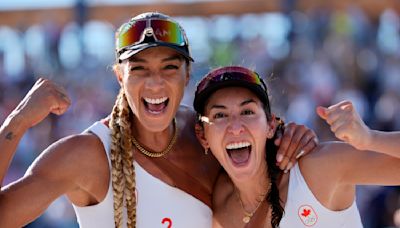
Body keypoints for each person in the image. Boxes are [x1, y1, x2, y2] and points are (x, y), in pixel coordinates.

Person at [0, 13, 319, 228]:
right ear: (119, 77)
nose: (155, 83)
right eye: (139, 69)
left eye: (169, 68)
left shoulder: (211, 136)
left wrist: (294, 140)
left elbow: (266, 197)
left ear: (186, 75)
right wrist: (18, 120)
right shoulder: (88, 156)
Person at [193, 65, 400, 227]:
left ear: (271, 125)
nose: (236, 127)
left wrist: (370, 138)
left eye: (247, 112)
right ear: (202, 136)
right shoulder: (215, 200)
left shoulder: (315, 170)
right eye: (220, 115)